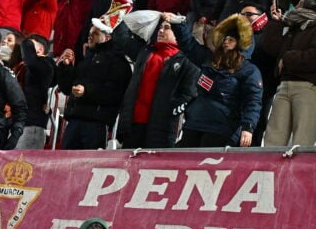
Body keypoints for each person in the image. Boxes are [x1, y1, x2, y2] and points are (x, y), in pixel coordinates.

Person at [259, 0, 316, 147]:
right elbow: (271, 48)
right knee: (273, 139)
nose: (295, 6)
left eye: (300, 3)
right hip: (284, 85)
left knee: (303, 139)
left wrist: (287, 58)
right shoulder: (293, 28)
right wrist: (276, 22)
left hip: (308, 87)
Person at [178, 14, 263, 147]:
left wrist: (248, 127)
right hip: (195, 122)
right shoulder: (210, 59)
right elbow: (189, 45)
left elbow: (253, 101)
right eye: (225, 38)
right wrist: (179, 24)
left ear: (241, 43)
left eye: (231, 39)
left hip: (223, 128)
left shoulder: (249, 71)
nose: (226, 41)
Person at [116, 14, 199, 149]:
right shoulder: (145, 51)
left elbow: (189, 91)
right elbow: (122, 38)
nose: (160, 31)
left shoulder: (188, 59)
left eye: (166, 28)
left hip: (162, 127)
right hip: (134, 124)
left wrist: (173, 110)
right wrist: (121, 15)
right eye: (160, 28)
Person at [56, 24, 132, 150]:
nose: (90, 37)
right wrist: (66, 68)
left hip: (97, 125)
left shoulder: (118, 62)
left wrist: (87, 91)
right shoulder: (86, 59)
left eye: (95, 34)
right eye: (89, 34)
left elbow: (115, 94)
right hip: (74, 121)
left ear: (107, 38)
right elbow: (66, 88)